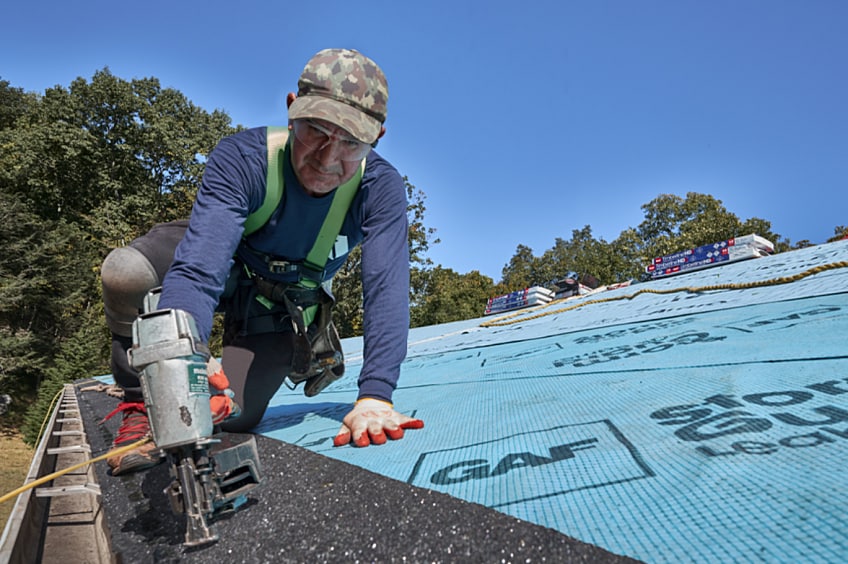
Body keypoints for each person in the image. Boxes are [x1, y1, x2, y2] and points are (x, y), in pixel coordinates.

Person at [100, 48, 423, 476]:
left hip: (272, 304)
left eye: (350, 142)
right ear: (292, 111)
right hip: (224, 261)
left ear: (377, 138)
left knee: (230, 412)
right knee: (127, 273)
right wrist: (182, 359)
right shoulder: (244, 159)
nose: (327, 159)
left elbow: (385, 291)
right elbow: (199, 271)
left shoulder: (380, 189)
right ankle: (138, 400)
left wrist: (375, 397)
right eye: (316, 130)